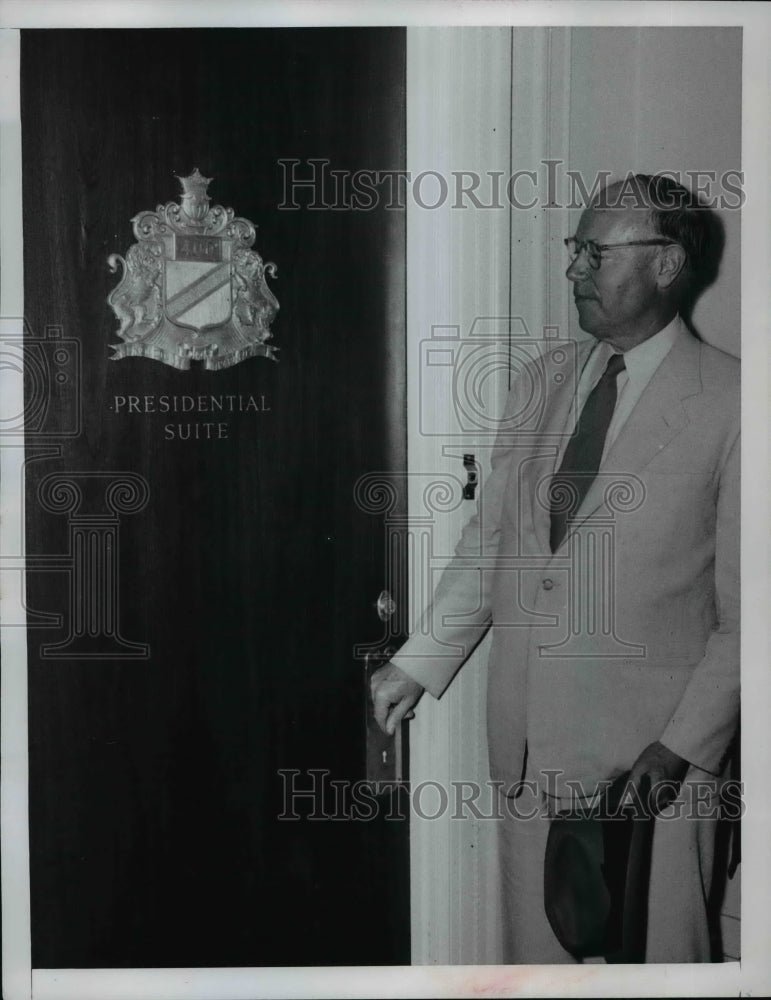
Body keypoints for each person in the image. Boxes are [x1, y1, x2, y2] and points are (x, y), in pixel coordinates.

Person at [370, 174, 739, 963]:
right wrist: (417, 661)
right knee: (538, 976)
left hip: (655, 775)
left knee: (661, 973)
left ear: (667, 262)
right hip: (533, 756)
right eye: (574, 250)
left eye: (594, 253)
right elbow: (494, 541)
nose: (574, 270)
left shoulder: (739, 402)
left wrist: (679, 748)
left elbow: (754, 617)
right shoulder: (541, 381)